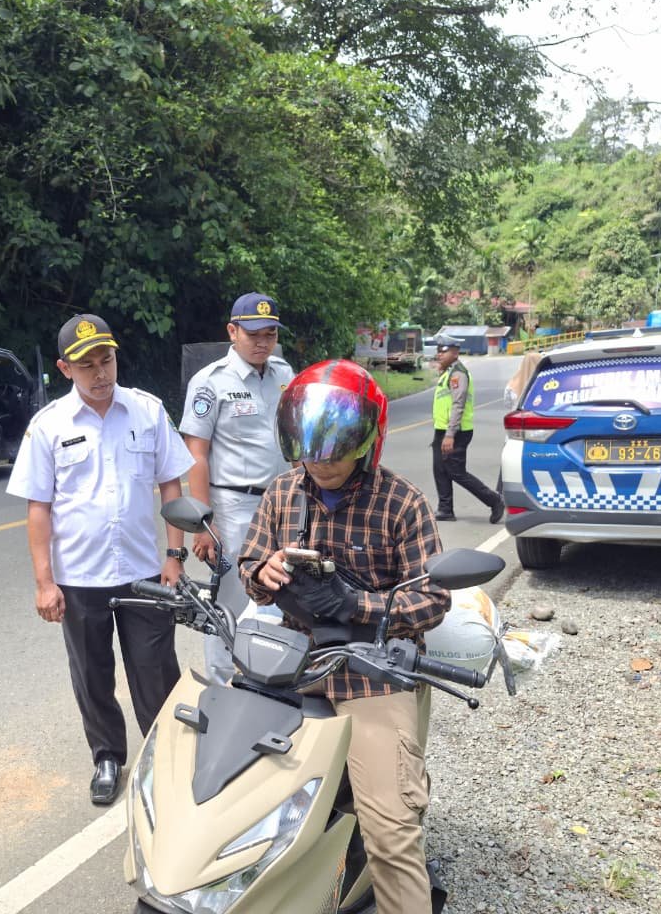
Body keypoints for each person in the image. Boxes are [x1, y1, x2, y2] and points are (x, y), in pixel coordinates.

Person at [237, 359, 450, 914]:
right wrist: (264, 572)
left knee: (391, 833)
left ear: (366, 440)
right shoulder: (283, 492)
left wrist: (360, 604)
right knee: (239, 803)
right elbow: (249, 566)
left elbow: (433, 599)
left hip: (373, 676)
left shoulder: (401, 501)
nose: (322, 458)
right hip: (296, 665)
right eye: (310, 445)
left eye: (335, 446)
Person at [7, 313, 195, 805]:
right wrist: (45, 583)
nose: (99, 373)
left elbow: (172, 486)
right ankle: (107, 756)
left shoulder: (148, 412)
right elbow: (38, 508)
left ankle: (167, 758)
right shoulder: (48, 426)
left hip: (143, 575)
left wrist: (174, 556)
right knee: (92, 674)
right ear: (64, 369)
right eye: (86, 364)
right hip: (79, 577)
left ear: (116, 357)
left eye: (106, 360)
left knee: (156, 672)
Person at [178, 291, 295, 683]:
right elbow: (197, 453)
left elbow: (294, 440)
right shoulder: (210, 383)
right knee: (230, 598)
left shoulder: (284, 375)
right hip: (233, 506)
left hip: (283, 502)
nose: (262, 342)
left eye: (270, 334)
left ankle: (271, 677)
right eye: (253, 334)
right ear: (232, 331)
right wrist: (203, 522)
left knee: (283, 590)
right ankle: (221, 682)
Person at [430, 333, 504, 523]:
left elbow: (458, 403)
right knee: (440, 469)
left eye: (444, 351)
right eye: (438, 351)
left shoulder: (458, 373)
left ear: (455, 353)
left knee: (456, 471)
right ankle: (445, 509)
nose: (439, 354)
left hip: (457, 431)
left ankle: (494, 500)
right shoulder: (448, 372)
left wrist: (450, 434)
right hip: (442, 430)